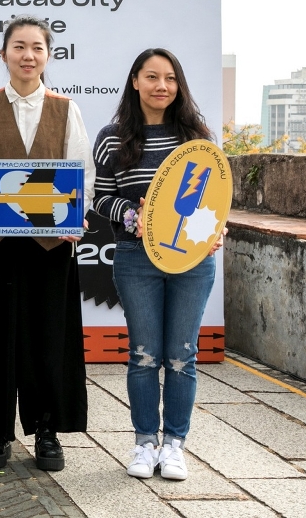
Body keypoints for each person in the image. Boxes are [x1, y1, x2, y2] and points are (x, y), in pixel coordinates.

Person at [0, 15, 93, 472]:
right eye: (19, 47)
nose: (28, 56)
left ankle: (47, 430)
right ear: (3, 54)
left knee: (49, 339)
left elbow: (82, 174)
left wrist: (77, 213)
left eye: (37, 47)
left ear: (48, 55)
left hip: (51, 248)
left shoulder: (66, 109)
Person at [93, 48, 225, 482]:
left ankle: (174, 446)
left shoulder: (197, 138)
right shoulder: (112, 137)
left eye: (169, 78)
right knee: (144, 355)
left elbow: (216, 199)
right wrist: (138, 217)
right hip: (136, 258)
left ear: (178, 85)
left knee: (182, 355)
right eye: (151, 77)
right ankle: (145, 442)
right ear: (135, 82)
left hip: (192, 260)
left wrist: (215, 230)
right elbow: (101, 198)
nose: (161, 86)